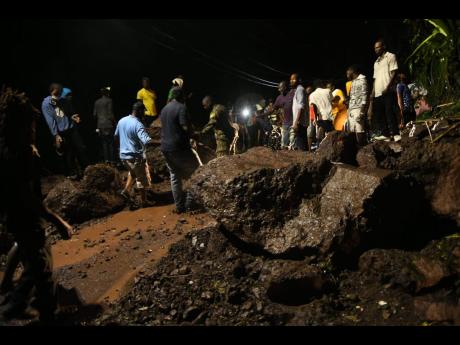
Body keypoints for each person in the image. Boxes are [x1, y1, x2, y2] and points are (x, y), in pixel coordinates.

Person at [0, 87, 72, 323]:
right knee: (41, 271)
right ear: (22, 126)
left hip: (13, 218)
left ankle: (9, 291)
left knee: (27, 251)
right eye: (31, 125)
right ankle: (17, 308)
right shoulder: (25, 154)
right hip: (28, 220)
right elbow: (29, 197)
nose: (34, 129)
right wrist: (58, 221)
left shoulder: (5, 150)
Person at [160, 87, 199, 214]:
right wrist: (194, 135)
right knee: (195, 172)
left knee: (175, 177)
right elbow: (184, 126)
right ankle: (189, 204)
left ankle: (179, 206)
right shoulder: (181, 107)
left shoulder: (164, 109)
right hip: (178, 147)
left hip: (165, 148)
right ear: (181, 96)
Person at [41, 84, 88, 178]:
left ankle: (86, 170)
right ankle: (70, 174)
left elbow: (68, 112)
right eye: (57, 94)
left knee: (80, 148)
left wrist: (73, 116)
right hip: (61, 132)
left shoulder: (62, 100)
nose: (59, 96)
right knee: (67, 153)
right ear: (53, 92)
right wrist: (56, 135)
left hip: (71, 128)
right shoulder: (47, 104)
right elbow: (50, 120)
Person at [115, 101, 153, 208]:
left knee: (133, 172)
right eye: (143, 112)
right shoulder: (138, 124)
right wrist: (159, 141)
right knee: (140, 178)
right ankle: (144, 201)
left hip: (123, 156)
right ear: (139, 111)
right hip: (135, 157)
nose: (144, 114)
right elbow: (146, 141)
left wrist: (120, 148)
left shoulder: (121, 120)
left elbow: (116, 136)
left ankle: (126, 191)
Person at [370, 39, 401, 142]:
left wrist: (388, 87)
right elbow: (375, 79)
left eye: (378, 47)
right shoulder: (376, 62)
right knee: (380, 114)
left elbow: (394, 72)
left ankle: (396, 133)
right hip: (378, 92)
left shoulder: (390, 56)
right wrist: (372, 93)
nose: (376, 50)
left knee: (389, 112)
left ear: (384, 46)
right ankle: (385, 134)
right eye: (375, 48)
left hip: (388, 90)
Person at [346, 65, 369, 146]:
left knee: (359, 129)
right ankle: (355, 149)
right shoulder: (353, 82)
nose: (347, 74)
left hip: (359, 108)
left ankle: (361, 148)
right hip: (352, 109)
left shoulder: (362, 80)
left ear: (352, 71)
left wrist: (362, 111)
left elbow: (365, 96)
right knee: (352, 130)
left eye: (347, 71)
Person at [93, 87, 115, 163]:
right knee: (111, 143)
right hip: (108, 124)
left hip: (100, 125)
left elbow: (94, 115)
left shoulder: (96, 102)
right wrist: (115, 122)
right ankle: (112, 160)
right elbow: (110, 113)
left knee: (104, 143)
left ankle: (106, 160)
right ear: (107, 93)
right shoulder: (109, 100)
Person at [309, 80, 334, 145]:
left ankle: (319, 146)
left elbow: (313, 106)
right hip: (330, 115)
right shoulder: (328, 91)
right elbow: (332, 101)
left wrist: (315, 118)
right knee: (330, 133)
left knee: (321, 131)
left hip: (320, 116)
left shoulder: (312, 95)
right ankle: (329, 147)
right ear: (322, 84)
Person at [273, 81, 295, 149]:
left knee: (293, 145)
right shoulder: (279, 98)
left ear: (285, 87)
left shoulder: (293, 94)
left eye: (280, 88)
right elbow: (273, 109)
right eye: (278, 88)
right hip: (285, 123)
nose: (279, 89)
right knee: (284, 145)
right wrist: (262, 115)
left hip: (294, 123)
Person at [290, 73, 308, 151]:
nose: (291, 81)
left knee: (301, 146)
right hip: (299, 123)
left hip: (300, 123)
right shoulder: (298, 90)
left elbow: (301, 107)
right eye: (290, 79)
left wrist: (296, 122)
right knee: (301, 144)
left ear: (298, 80)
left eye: (293, 79)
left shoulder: (300, 89)